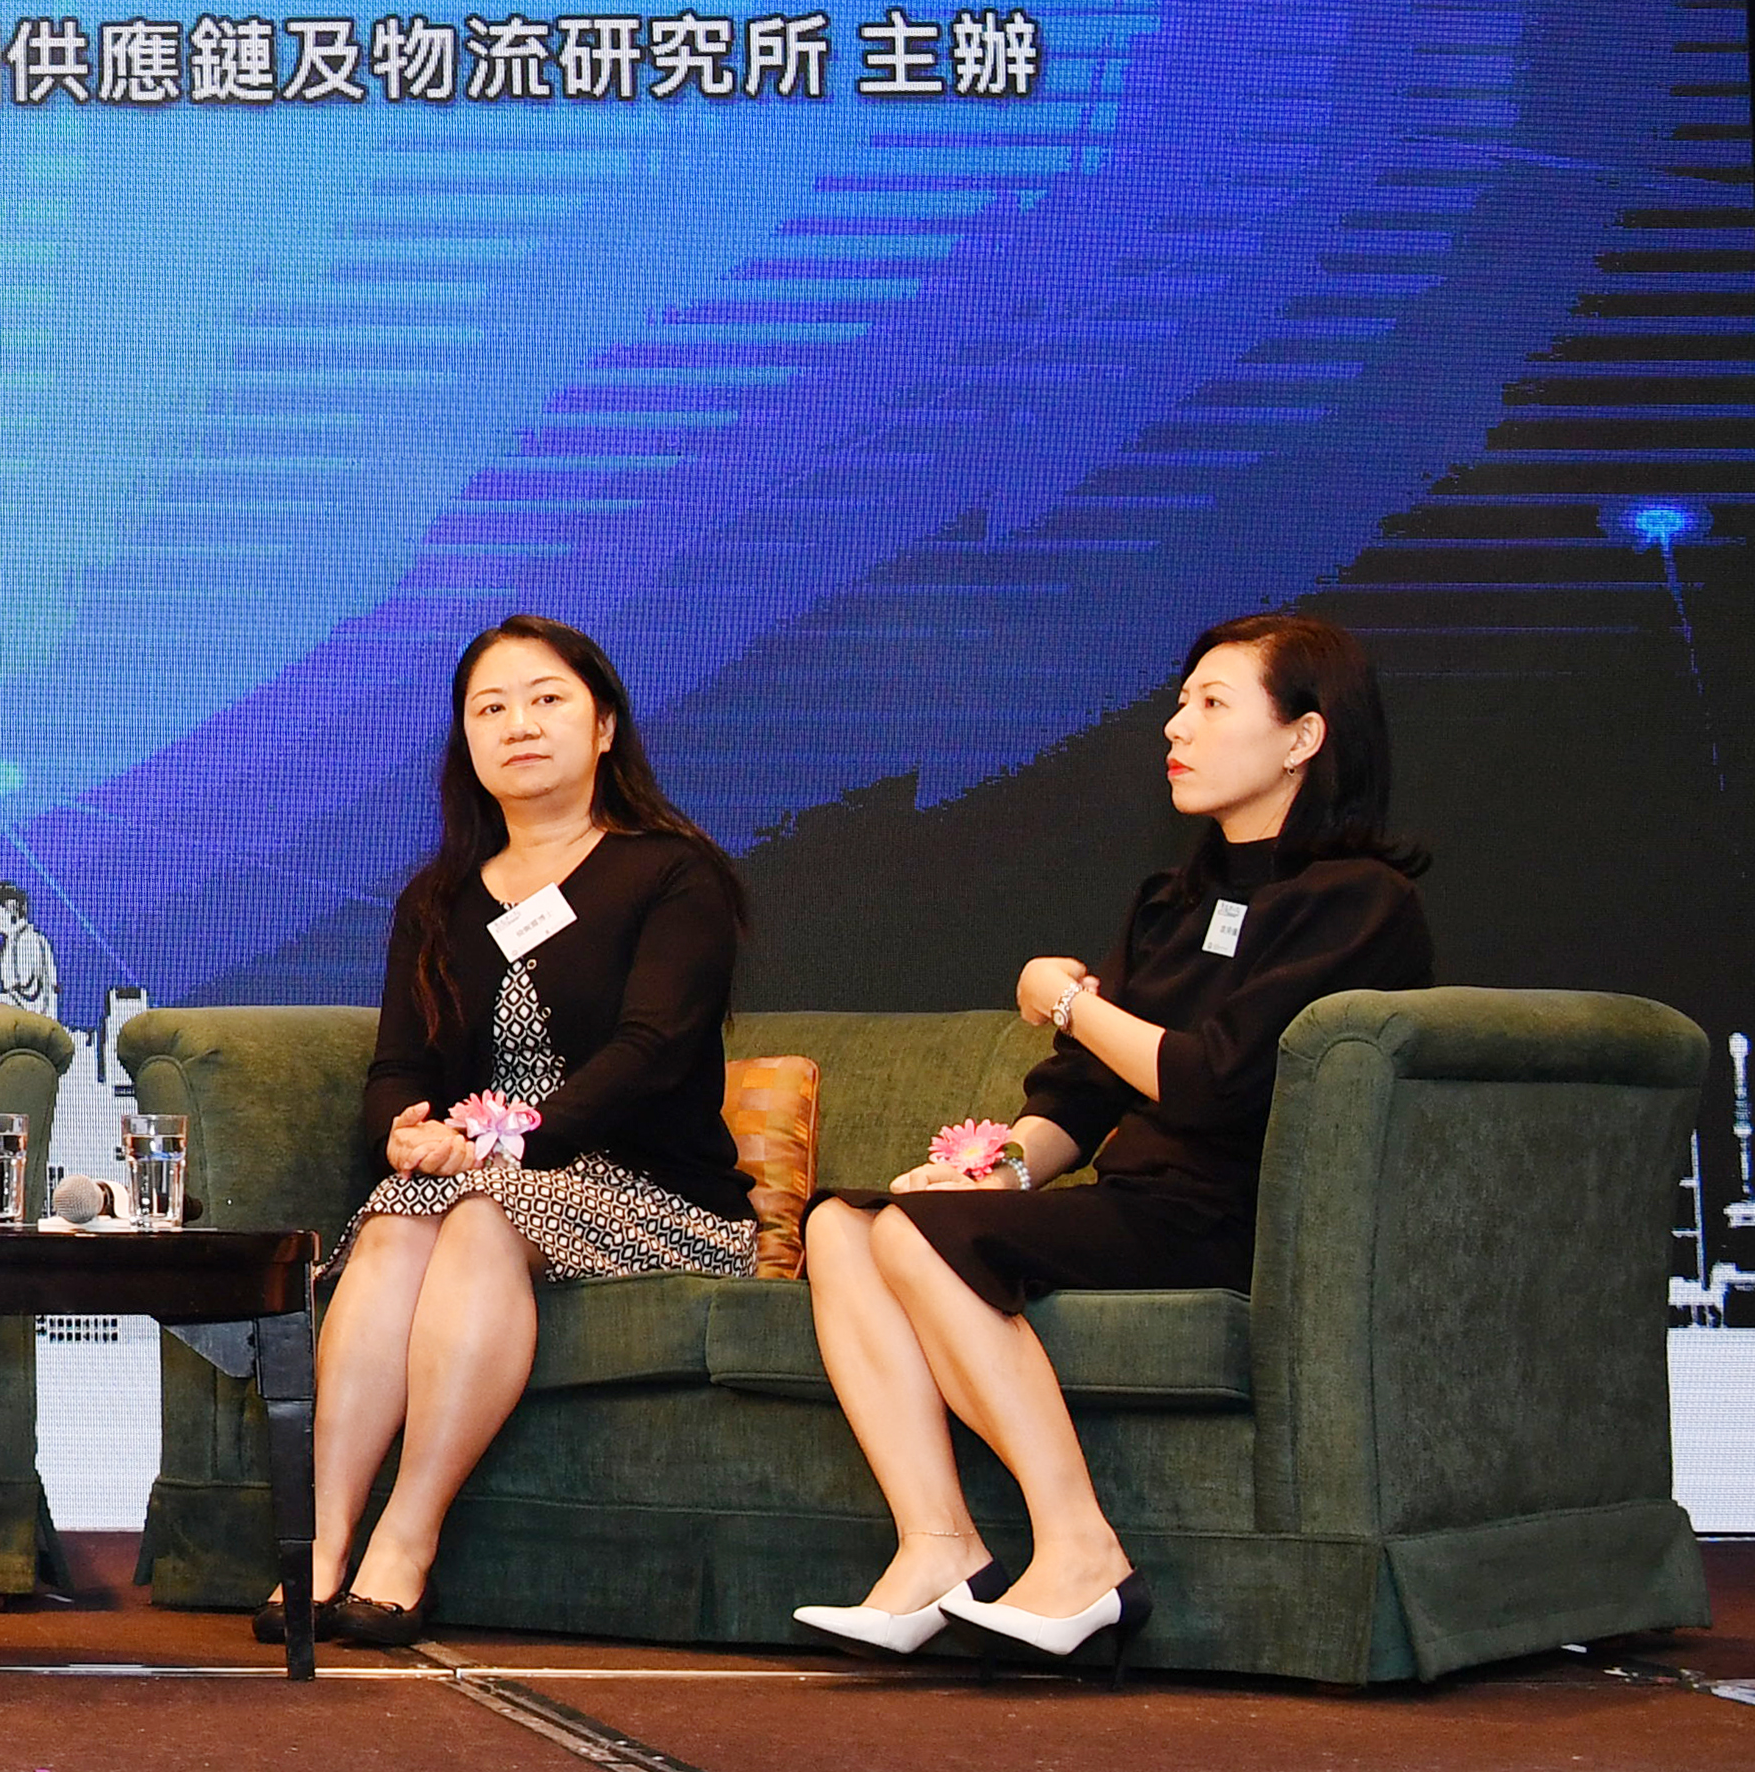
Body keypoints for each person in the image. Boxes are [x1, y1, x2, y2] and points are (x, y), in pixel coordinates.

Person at [791, 612, 1433, 1676]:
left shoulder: (1357, 902)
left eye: (1212, 703)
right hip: (1139, 1200)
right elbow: (1081, 1100)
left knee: (911, 1237)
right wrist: (996, 1168)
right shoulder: (1170, 901)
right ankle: (937, 1547)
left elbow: (1213, 1076)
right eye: (1179, 701)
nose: (1175, 726)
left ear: (1302, 737)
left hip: (1237, 1214)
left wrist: (1071, 1003)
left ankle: (1082, 1549)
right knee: (842, 1225)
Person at [294, 616, 757, 1650]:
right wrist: (402, 1133)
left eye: (546, 698)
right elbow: (399, 1066)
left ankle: (404, 1543)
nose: (518, 724)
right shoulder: (438, 897)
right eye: (488, 707)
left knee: (475, 1211)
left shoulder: (671, 875)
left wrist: (510, 1146)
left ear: (603, 724)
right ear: (464, 742)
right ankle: (319, 1543)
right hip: (472, 1172)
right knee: (393, 1220)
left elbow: (652, 1050)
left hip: (650, 1185)